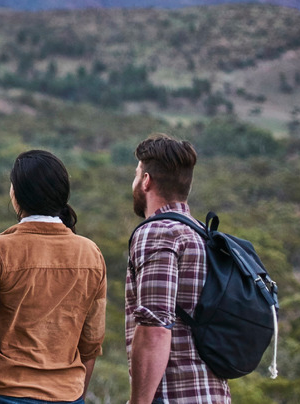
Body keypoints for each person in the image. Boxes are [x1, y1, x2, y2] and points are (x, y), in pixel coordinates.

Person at [0, 150, 106, 404]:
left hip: (6, 395)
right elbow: (91, 342)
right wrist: (77, 395)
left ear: (17, 195)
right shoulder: (91, 254)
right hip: (68, 395)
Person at [126, 134, 229, 403]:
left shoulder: (158, 232)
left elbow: (155, 329)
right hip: (213, 394)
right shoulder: (202, 236)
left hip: (174, 396)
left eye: (137, 175)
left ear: (146, 181)